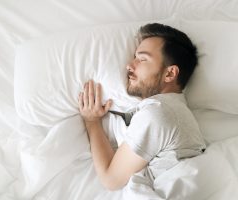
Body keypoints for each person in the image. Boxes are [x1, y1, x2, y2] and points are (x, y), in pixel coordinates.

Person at [78, 23, 206, 191]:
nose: (129, 66)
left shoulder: (158, 113)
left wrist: (91, 121)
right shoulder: (173, 110)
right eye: (134, 57)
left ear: (170, 74)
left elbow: (111, 179)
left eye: (142, 59)